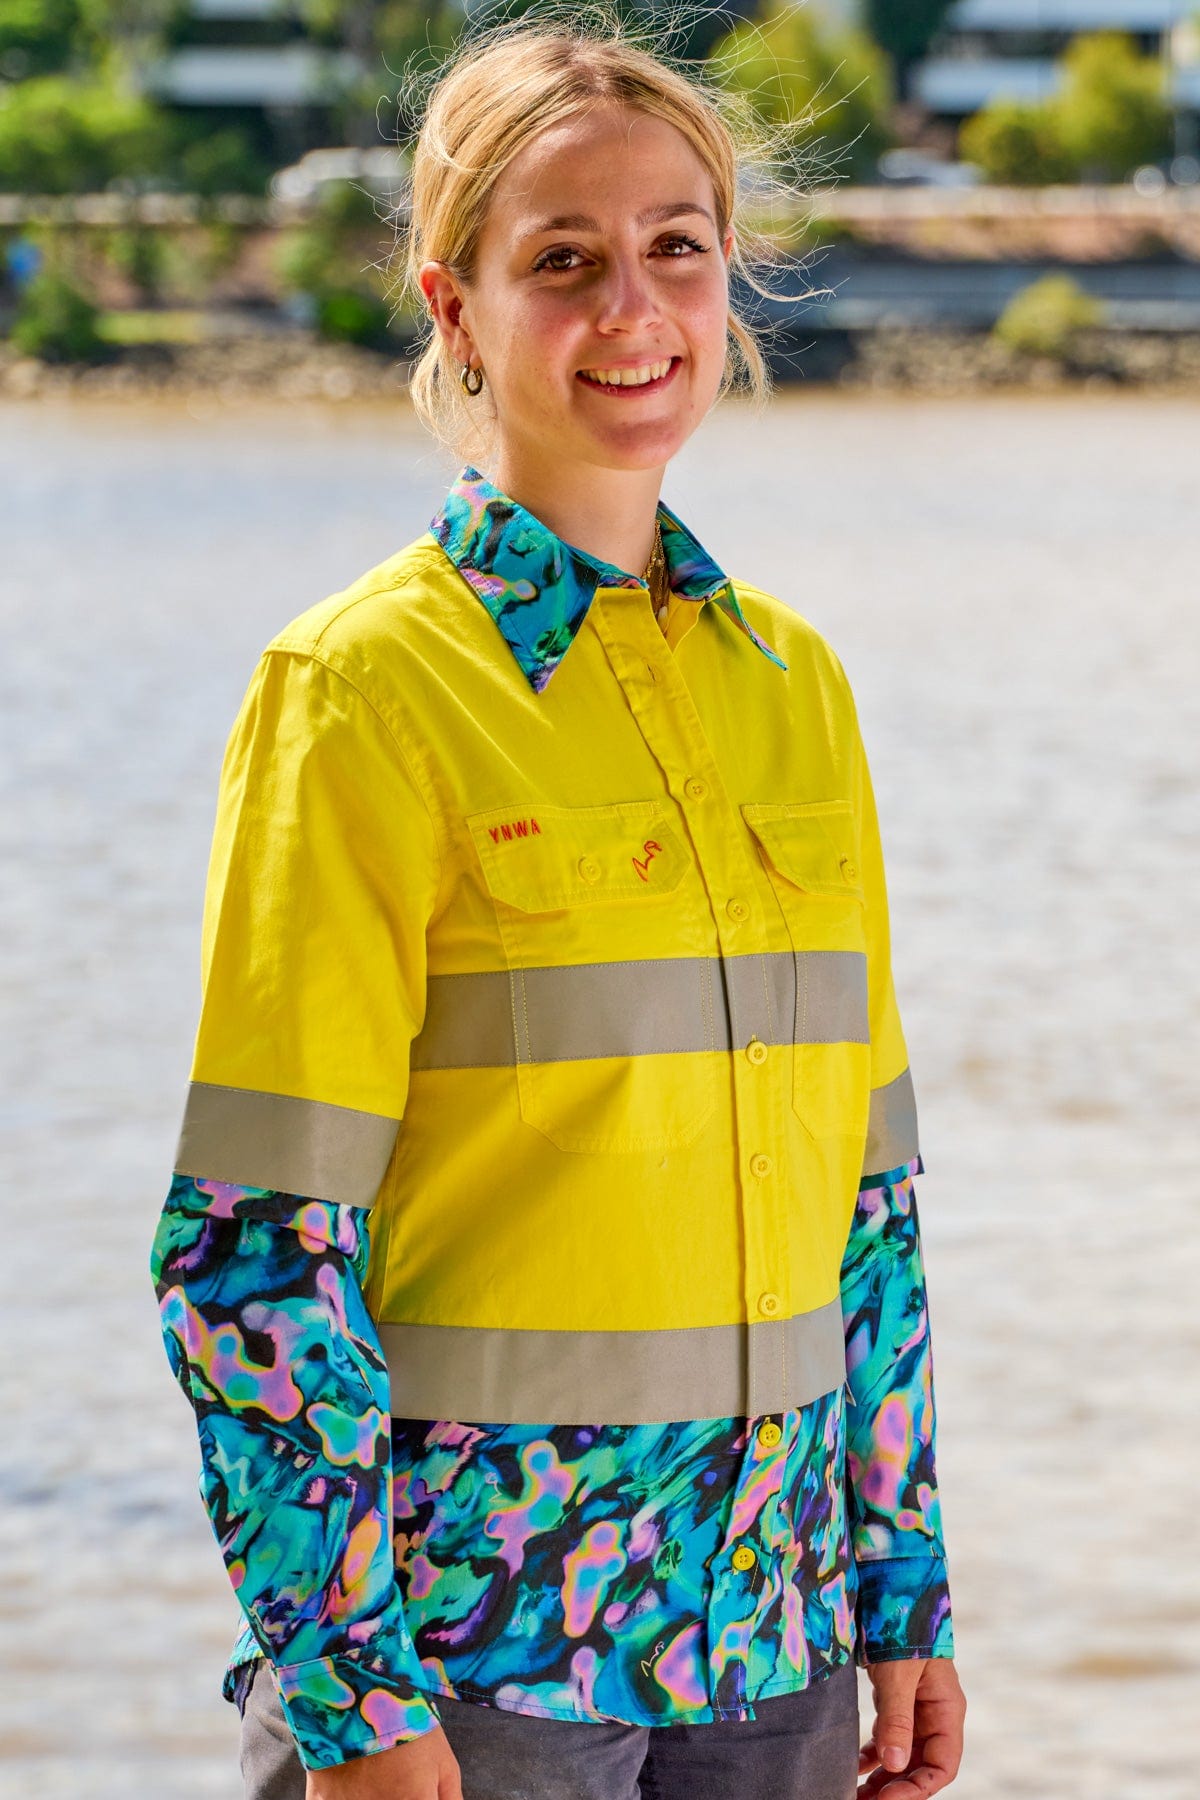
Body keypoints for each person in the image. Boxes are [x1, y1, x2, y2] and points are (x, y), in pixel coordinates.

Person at [151, 16, 966, 1800]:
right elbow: (250, 1250)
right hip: (471, 1673)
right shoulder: (361, 690)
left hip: (775, 1659)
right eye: (563, 261)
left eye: (676, 245)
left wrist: (903, 1590)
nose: (632, 309)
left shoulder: (796, 687)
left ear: (728, 273)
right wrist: (354, 1701)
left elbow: (870, 1207)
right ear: (456, 310)